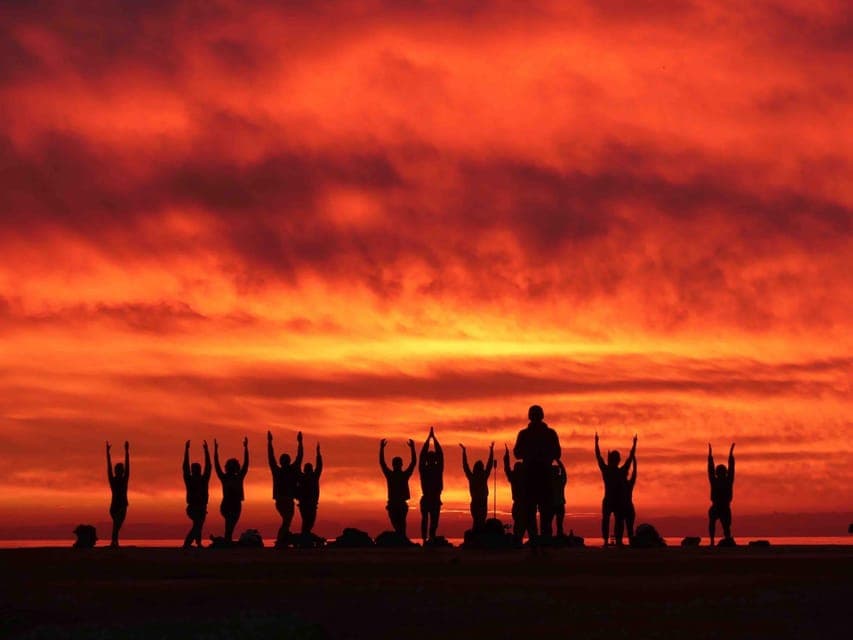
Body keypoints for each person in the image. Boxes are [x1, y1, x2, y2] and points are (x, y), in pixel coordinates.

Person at [513, 405, 561, 545]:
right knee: (542, 513)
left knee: (533, 512)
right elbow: (557, 454)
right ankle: (541, 543)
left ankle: (537, 542)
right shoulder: (549, 433)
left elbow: (517, 453)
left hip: (533, 477)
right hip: (540, 477)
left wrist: (532, 454)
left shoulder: (525, 434)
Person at [594, 432, 637, 547]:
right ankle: (616, 541)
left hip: (610, 500)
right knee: (617, 520)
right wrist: (634, 445)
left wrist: (596, 443)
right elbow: (630, 458)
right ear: (618, 460)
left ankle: (607, 541)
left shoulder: (607, 470)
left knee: (609, 520)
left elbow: (598, 457)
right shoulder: (620, 472)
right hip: (615, 501)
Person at [267, 430, 303, 542]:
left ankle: (283, 539)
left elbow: (271, 458)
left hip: (283, 500)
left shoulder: (278, 470)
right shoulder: (286, 470)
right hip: (284, 499)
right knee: (287, 521)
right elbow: (299, 456)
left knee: (287, 521)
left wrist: (270, 442)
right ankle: (280, 540)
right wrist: (300, 443)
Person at [214, 436, 249, 543]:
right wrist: (215, 451)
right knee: (230, 525)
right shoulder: (227, 477)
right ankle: (226, 541)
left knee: (230, 526)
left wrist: (246, 448)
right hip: (229, 504)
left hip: (234, 504)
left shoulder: (237, 476)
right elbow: (217, 466)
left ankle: (226, 540)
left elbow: (246, 464)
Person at [379, 438, 416, 537]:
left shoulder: (402, 475)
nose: (397, 465)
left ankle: (402, 538)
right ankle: (401, 538)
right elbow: (382, 463)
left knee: (401, 524)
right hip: (393, 504)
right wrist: (381, 448)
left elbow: (413, 463)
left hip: (399, 504)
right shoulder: (391, 475)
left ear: (400, 465)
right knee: (398, 524)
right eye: (396, 463)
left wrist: (413, 448)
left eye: (398, 463)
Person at [182, 439, 211, 548]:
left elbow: (208, 467)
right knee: (198, 525)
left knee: (198, 525)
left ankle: (198, 543)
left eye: (197, 469)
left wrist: (206, 451)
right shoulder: (189, 480)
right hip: (193, 507)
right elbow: (185, 467)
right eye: (195, 469)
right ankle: (187, 543)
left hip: (201, 507)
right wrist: (186, 450)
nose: (196, 471)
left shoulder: (203, 480)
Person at [460, 442, 495, 531]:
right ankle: (477, 539)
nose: (482, 468)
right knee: (479, 521)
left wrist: (464, 452)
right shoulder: (481, 476)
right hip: (478, 501)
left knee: (478, 521)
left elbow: (466, 466)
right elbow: (489, 465)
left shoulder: (475, 477)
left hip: (480, 501)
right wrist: (491, 451)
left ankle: (477, 538)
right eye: (481, 467)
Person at [418, 426, 444, 543]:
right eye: (431, 458)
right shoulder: (424, 469)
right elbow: (422, 456)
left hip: (435, 498)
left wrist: (433, 439)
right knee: (426, 519)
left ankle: (431, 537)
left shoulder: (438, 468)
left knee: (434, 520)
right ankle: (425, 538)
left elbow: (440, 455)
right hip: (428, 497)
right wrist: (429, 439)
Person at [708, 443, 735, 546]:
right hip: (715, 506)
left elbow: (732, 468)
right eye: (719, 472)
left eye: (722, 472)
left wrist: (731, 454)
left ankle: (727, 539)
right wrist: (710, 456)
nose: (721, 474)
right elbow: (710, 469)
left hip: (725, 506)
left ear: (725, 472)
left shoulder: (728, 480)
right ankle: (712, 541)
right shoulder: (714, 480)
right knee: (712, 523)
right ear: (717, 473)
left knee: (726, 526)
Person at [106, 440, 130, 548]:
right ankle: (114, 542)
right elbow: (109, 468)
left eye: (120, 470)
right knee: (116, 524)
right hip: (116, 507)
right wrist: (108, 454)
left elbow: (128, 467)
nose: (119, 471)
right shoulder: (113, 480)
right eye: (118, 470)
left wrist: (126, 451)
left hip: (122, 506)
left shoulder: (124, 479)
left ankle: (114, 542)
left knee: (117, 525)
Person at [503, 445, 527, 542]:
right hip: (521, 504)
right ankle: (518, 539)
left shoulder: (515, 477)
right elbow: (507, 468)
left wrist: (507, 456)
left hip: (520, 504)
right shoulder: (523, 478)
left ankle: (518, 539)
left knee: (520, 523)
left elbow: (507, 468)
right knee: (521, 523)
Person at [298, 443, 323, 536]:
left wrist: (318, 454)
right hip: (307, 504)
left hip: (307, 504)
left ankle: (305, 536)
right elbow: (319, 466)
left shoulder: (305, 477)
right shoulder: (310, 477)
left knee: (308, 522)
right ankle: (305, 537)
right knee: (308, 521)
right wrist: (318, 454)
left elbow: (319, 466)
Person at [543, 460, 567, 537]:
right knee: (551, 523)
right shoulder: (553, 480)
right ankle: (551, 537)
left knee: (557, 523)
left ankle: (557, 537)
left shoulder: (559, 480)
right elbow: (563, 471)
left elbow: (563, 471)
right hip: (554, 504)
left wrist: (558, 461)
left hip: (558, 504)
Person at [624, 456, 637, 542]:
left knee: (629, 527)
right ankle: (631, 541)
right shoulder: (627, 484)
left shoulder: (627, 484)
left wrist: (635, 463)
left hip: (627, 507)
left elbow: (634, 474)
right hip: (627, 507)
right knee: (629, 528)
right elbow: (634, 474)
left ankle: (631, 541)